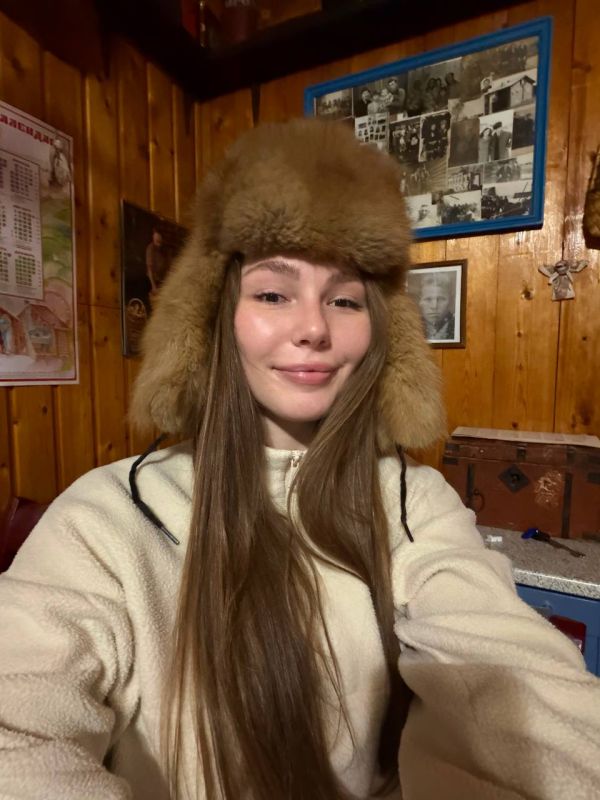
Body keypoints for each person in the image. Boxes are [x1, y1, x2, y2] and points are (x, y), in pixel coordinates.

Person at [0, 119, 599, 800]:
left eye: (344, 300)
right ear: (215, 319)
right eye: (272, 294)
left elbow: (509, 677)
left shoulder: (414, 501)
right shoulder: (108, 515)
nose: (313, 327)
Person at [416, 274, 455, 340]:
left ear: (450, 301)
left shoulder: (456, 327)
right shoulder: (411, 327)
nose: (434, 306)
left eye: (441, 299)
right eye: (428, 299)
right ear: (419, 301)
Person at [145, 227, 170, 298]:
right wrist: (153, 286)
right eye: (156, 239)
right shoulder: (150, 248)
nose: (158, 241)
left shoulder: (165, 249)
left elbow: (168, 267)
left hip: (162, 280)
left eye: (159, 239)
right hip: (152, 281)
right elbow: (149, 269)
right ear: (153, 237)